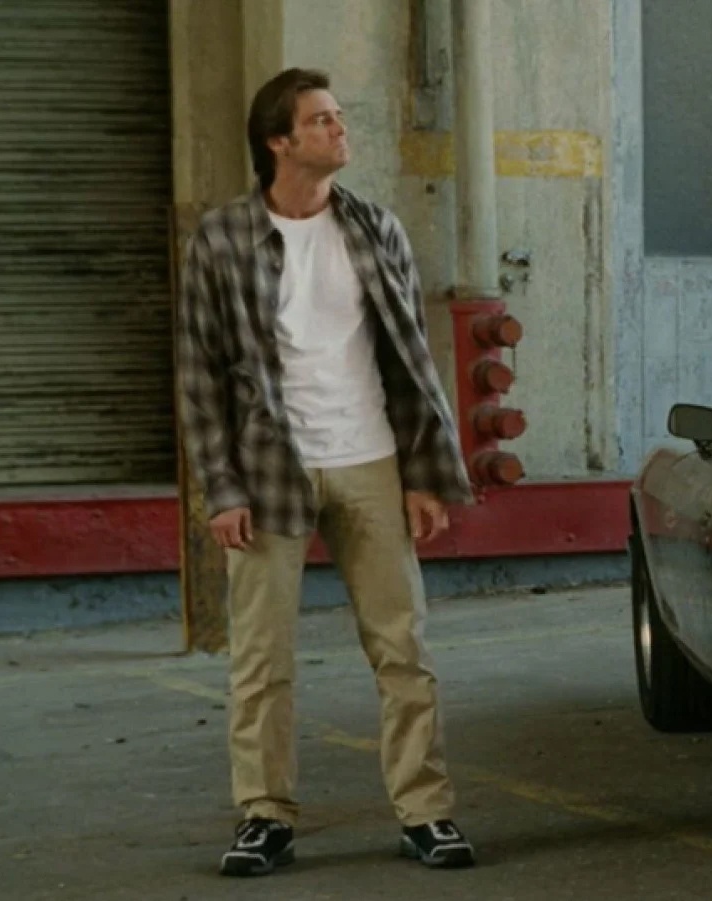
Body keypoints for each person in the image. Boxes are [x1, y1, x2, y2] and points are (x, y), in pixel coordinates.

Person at [176, 67, 477, 877]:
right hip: (269, 469)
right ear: (279, 141)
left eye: (339, 116)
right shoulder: (222, 239)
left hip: (370, 457)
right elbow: (199, 377)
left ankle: (426, 812)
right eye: (322, 120)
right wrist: (220, 488)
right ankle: (264, 816)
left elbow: (411, 359)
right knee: (262, 657)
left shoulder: (376, 228)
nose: (340, 129)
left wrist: (422, 473)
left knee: (403, 647)